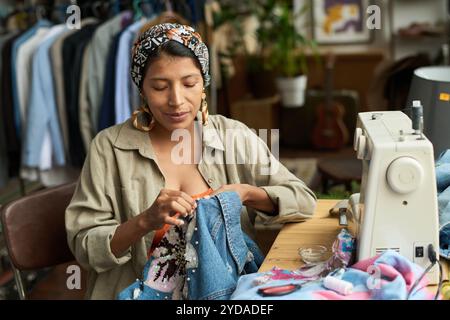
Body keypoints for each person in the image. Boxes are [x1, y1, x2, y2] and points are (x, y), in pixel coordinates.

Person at [65, 23, 317, 300]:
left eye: (189, 84)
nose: (177, 100)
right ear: (142, 90)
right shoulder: (109, 148)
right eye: (160, 87)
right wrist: (145, 221)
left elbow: (303, 199)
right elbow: (84, 246)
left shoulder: (233, 136)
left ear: (204, 84)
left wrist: (246, 193)